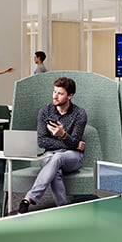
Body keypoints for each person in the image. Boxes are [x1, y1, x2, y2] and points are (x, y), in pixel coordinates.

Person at [19, 77, 87, 214]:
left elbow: (75, 143)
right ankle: (63, 208)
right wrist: (70, 141)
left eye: (60, 93)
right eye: (54, 91)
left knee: (57, 158)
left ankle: (29, 198)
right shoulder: (45, 111)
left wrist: (63, 135)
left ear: (70, 95)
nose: (55, 96)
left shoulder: (80, 114)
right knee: (54, 163)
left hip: (73, 157)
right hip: (50, 154)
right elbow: (42, 141)